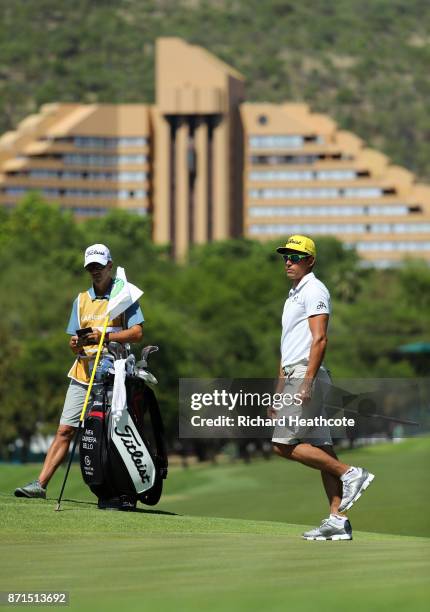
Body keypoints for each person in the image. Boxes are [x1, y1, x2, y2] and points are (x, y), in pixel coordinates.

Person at [14, 244, 144, 499]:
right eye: (90, 267)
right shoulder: (81, 300)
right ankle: (39, 485)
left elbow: (138, 333)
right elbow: (75, 341)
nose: (95, 271)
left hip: (113, 375)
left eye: (99, 266)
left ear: (110, 265)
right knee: (65, 429)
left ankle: (120, 489)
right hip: (83, 372)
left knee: (112, 433)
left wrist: (105, 336)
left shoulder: (123, 295)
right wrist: (75, 344)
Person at [271, 235, 374, 541]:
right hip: (295, 372)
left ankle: (350, 473)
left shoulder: (314, 289)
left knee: (282, 445)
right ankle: (337, 520)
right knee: (321, 449)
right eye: (286, 256)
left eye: (296, 257)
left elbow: (320, 339)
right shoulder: (293, 295)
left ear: (310, 261)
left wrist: (306, 382)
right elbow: (287, 347)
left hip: (306, 374)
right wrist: (278, 391)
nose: (289, 261)